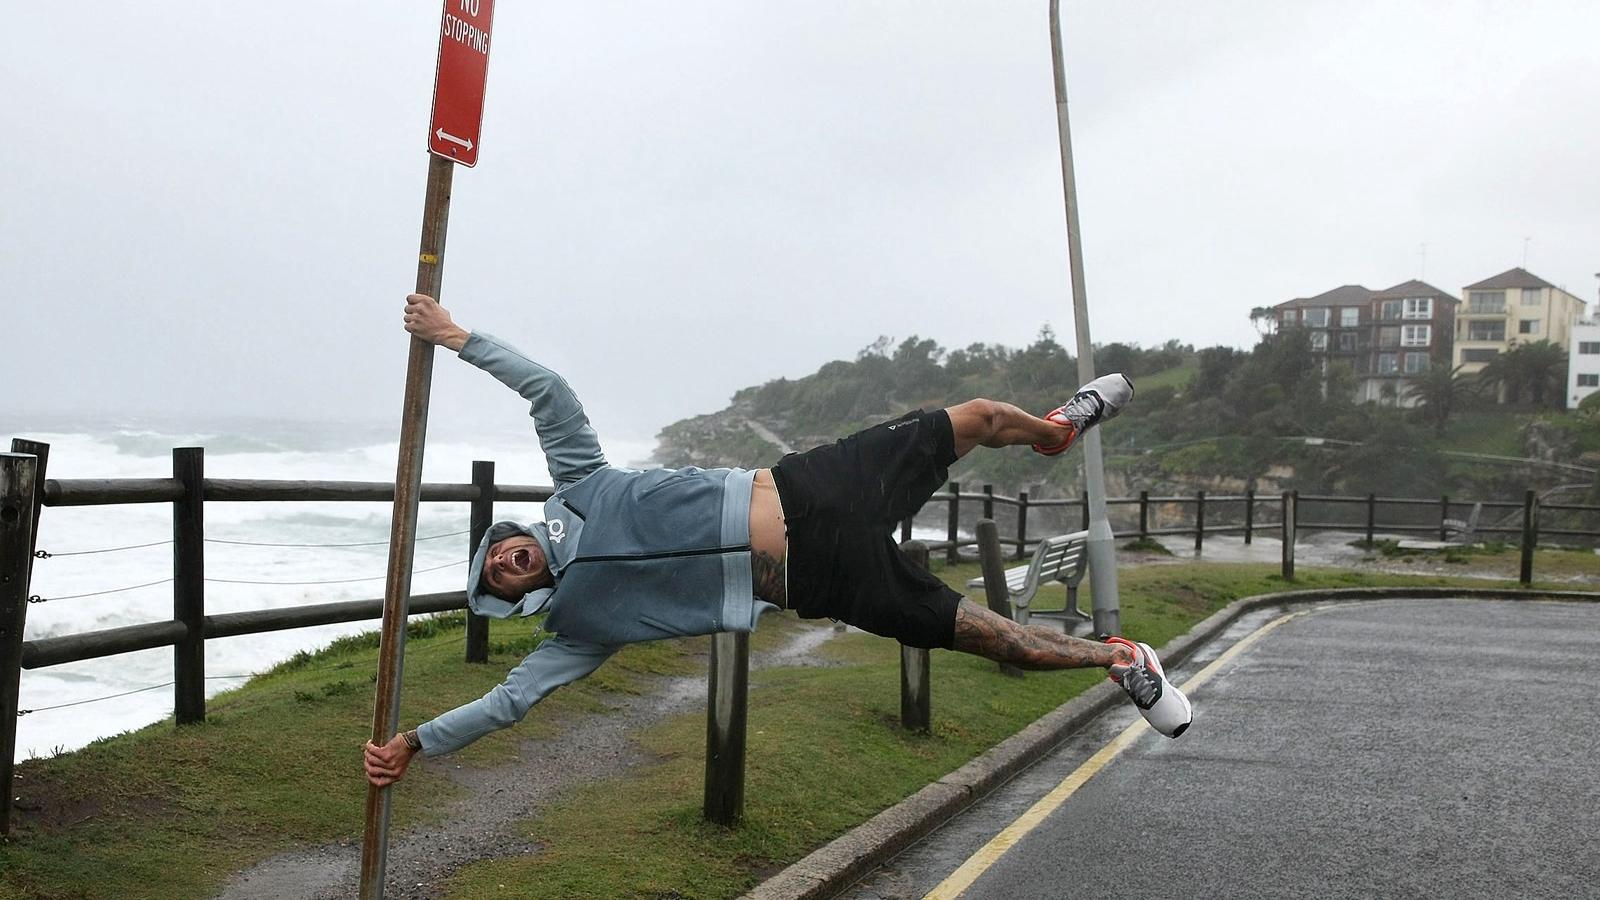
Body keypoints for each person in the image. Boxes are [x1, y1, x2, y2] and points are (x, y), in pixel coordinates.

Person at [364, 294, 1189, 788]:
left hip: (809, 486)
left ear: (515, 535)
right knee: (986, 636)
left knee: (973, 417)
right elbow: (511, 703)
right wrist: (415, 742)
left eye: (502, 551)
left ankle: (1052, 430)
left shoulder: (580, 484)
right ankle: (1125, 661)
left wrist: (455, 336)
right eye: (501, 580)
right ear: (520, 598)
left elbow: (548, 389)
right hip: (820, 580)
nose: (507, 563)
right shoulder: (578, 629)